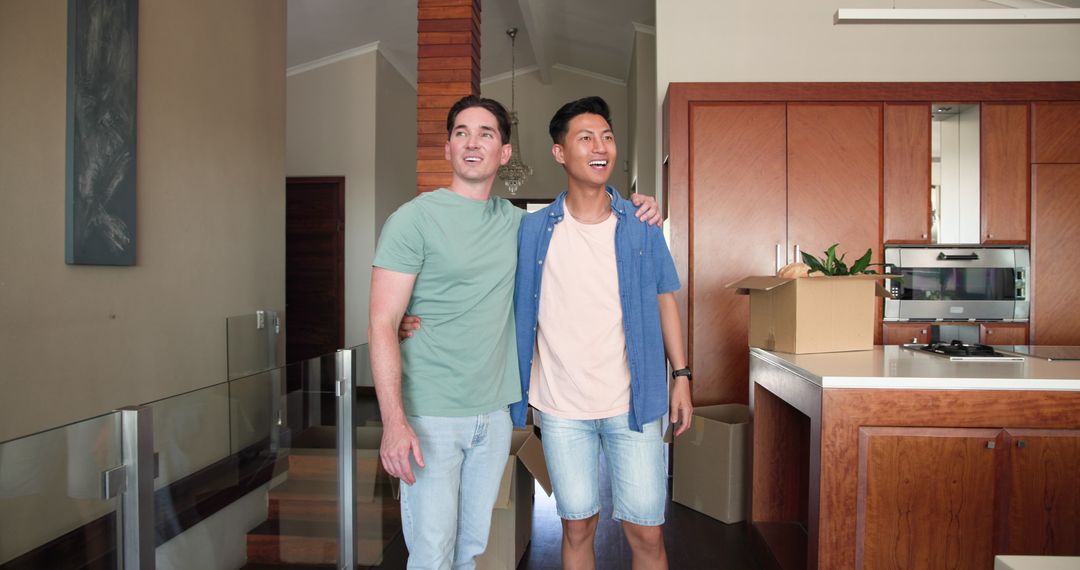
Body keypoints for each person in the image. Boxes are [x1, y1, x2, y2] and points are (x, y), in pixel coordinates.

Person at [370, 95, 661, 569]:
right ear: (447, 148)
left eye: (487, 134)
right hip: (431, 417)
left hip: (495, 414)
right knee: (431, 554)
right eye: (462, 132)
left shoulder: (519, 225)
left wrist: (639, 207)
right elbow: (382, 322)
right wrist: (393, 421)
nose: (473, 143)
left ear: (504, 153)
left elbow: (577, 246)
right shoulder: (412, 220)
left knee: (469, 551)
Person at [510, 96, 693, 570]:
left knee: (647, 533)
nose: (600, 147)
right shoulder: (531, 230)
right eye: (585, 137)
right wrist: (416, 316)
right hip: (560, 407)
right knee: (576, 527)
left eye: (607, 137)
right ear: (559, 152)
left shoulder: (642, 225)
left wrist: (683, 376)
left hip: (633, 403)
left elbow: (664, 299)